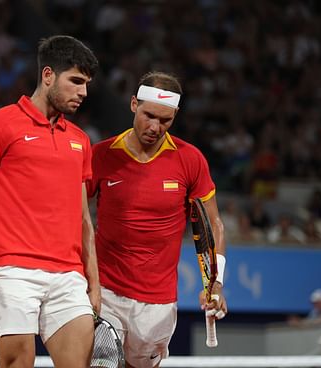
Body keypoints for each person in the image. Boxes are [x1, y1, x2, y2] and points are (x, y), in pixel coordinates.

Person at [0, 35, 100, 368]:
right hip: (13, 272)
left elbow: (83, 218)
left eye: (86, 84)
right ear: (48, 76)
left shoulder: (80, 141)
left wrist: (95, 281)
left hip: (69, 277)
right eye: (75, 81)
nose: (83, 93)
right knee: (19, 363)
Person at [87, 71, 228, 368]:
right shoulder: (100, 155)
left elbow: (213, 224)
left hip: (158, 302)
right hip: (105, 289)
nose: (154, 127)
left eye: (165, 120)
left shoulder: (190, 159)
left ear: (175, 115)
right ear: (133, 104)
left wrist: (216, 282)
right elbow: (71, 210)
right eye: (148, 115)